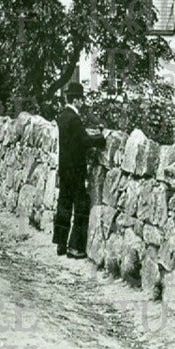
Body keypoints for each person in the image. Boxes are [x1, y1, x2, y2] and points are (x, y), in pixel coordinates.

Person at [52, 82, 106, 259]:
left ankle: (60, 243)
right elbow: (84, 141)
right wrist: (100, 139)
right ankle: (75, 247)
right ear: (76, 100)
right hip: (76, 169)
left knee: (64, 204)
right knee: (81, 205)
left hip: (64, 167)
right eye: (81, 99)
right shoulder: (74, 119)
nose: (82, 103)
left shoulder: (62, 117)